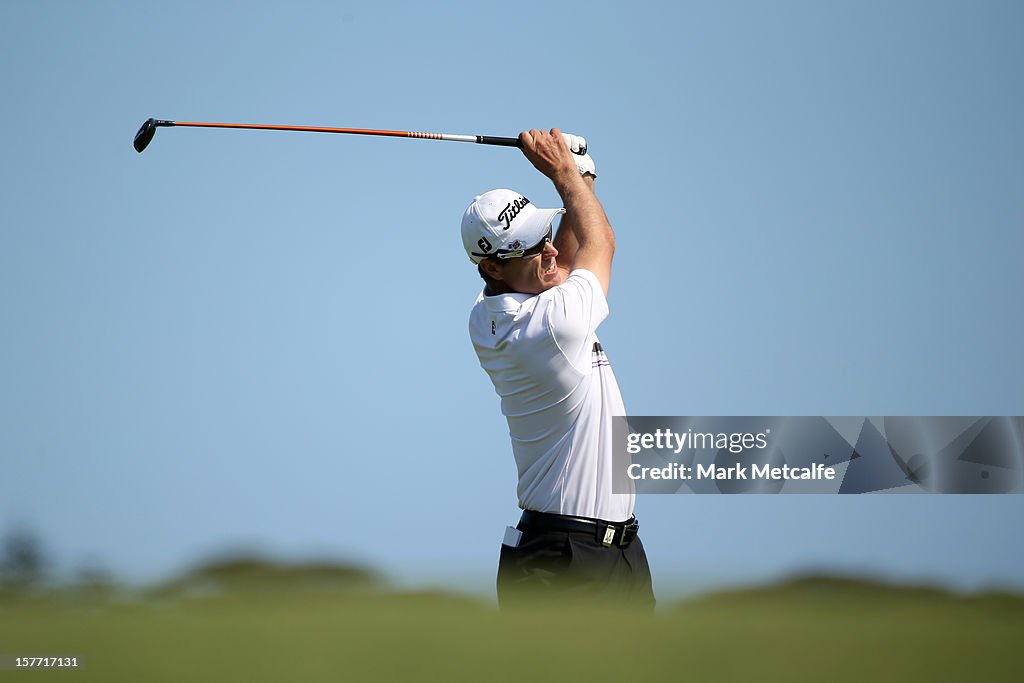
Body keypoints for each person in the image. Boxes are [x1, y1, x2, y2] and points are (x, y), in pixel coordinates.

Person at [461, 128, 655, 611]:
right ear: (493, 268)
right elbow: (598, 243)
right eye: (532, 248)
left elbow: (566, 255)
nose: (549, 252)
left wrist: (580, 171)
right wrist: (565, 172)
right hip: (565, 558)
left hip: (617, 553)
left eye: (544, 235)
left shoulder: (501, 308)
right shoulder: (549, 325)